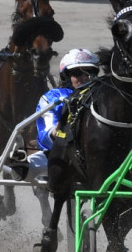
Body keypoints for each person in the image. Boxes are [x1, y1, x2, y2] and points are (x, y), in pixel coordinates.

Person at [28, 48, 102, 179]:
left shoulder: (103, 96)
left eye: (90, 72)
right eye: (77, 72)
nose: (85, 77)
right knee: (25, 169)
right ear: (66, 76)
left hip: (99, 154)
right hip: (59, 153)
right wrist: (62, 132)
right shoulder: (53, 97)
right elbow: (48, 135)